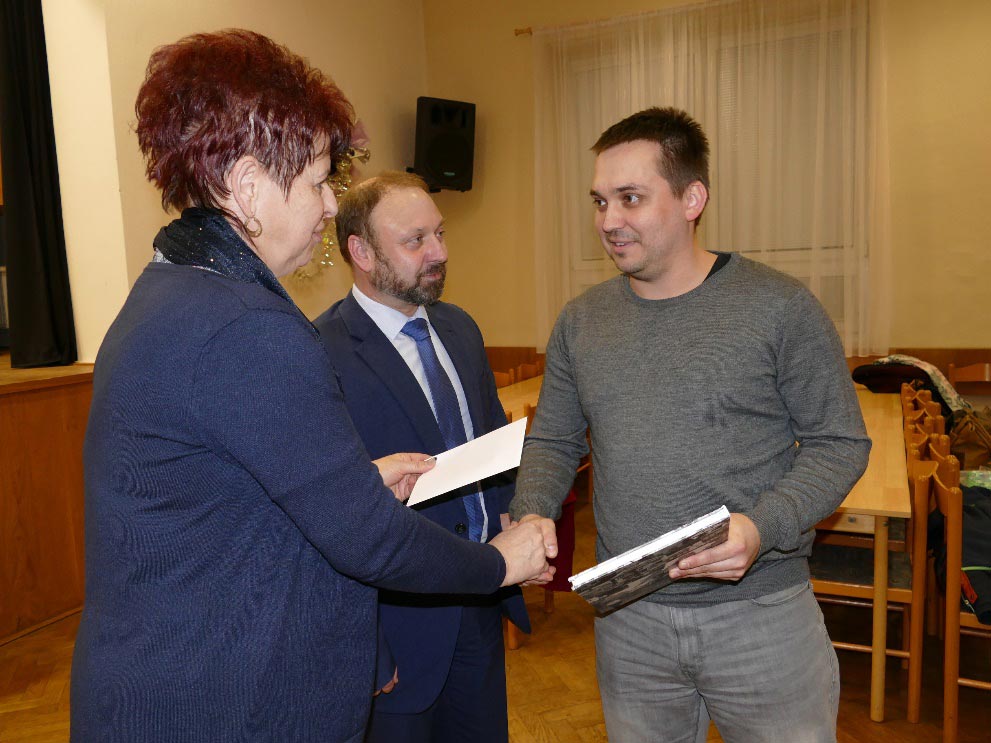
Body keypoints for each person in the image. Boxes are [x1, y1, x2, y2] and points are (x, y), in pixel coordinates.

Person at [69, 30, 555, 743]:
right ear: (247, 186)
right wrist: (496, 563)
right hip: (228, 703)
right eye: (318, 180)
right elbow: (369, 542)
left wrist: (350, 481)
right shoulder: (245, 324)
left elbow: (216, 494)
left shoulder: (172, 289)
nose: (331, 205)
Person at [510, 106, 872, 743]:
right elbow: (555, 439)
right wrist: (535, 508)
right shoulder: (581, 320)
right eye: (599, 201)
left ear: (691, 199)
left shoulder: (780, 306)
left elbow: (839, 444)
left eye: (630, 198)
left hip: (762, 614)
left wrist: (762, 526)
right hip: (630, 619)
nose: (608, 221)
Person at [314, 171, 536, 743]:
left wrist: (514, 515)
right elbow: (326, 518)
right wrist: (369, 647)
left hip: (482, 603)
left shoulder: (460, 329)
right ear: (361, 252)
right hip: (399, 632)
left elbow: (492, 443)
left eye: (439, 233)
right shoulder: (321, 353)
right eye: (415, 240)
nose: (438, 253)